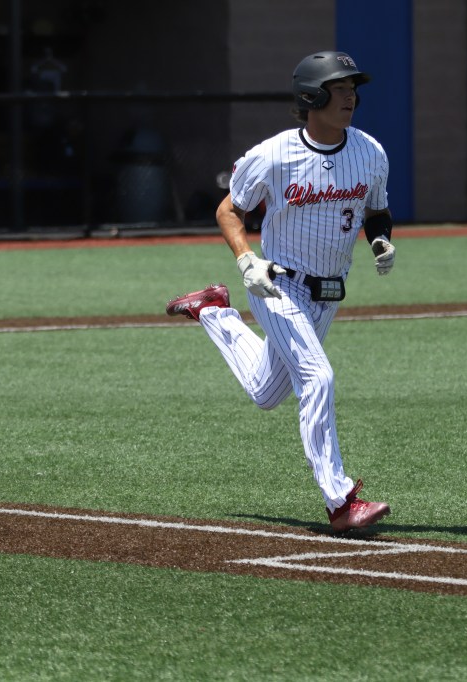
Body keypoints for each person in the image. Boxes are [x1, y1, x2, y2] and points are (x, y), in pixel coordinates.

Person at [165, 51, 397, 533]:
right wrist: (245, 260)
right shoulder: (274, 154)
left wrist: (380, 240)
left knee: (267, 393)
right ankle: (340, 501)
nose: (351, 97)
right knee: (317, 377)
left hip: (328, 292)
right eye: (339, 88)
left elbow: (376, 210)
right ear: (312, 96)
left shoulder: (370, 152)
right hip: (277, 284)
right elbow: (229, 210)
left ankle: (213, 311)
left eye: (353, 88)